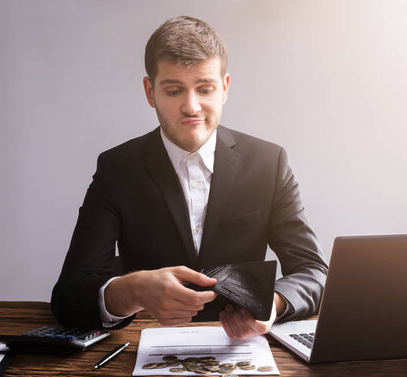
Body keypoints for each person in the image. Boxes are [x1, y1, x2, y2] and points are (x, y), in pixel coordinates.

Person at [51, 16, 328, 339]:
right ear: (150, 92)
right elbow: (69, 295)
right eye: (173, 90)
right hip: (143, 349)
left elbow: (314, 272)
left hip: (242, 351)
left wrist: (274, 304)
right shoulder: (116, 168)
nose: (191, 106)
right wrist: (134, 290)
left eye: (205, 88)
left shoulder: (269, 162)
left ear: (224, 88)